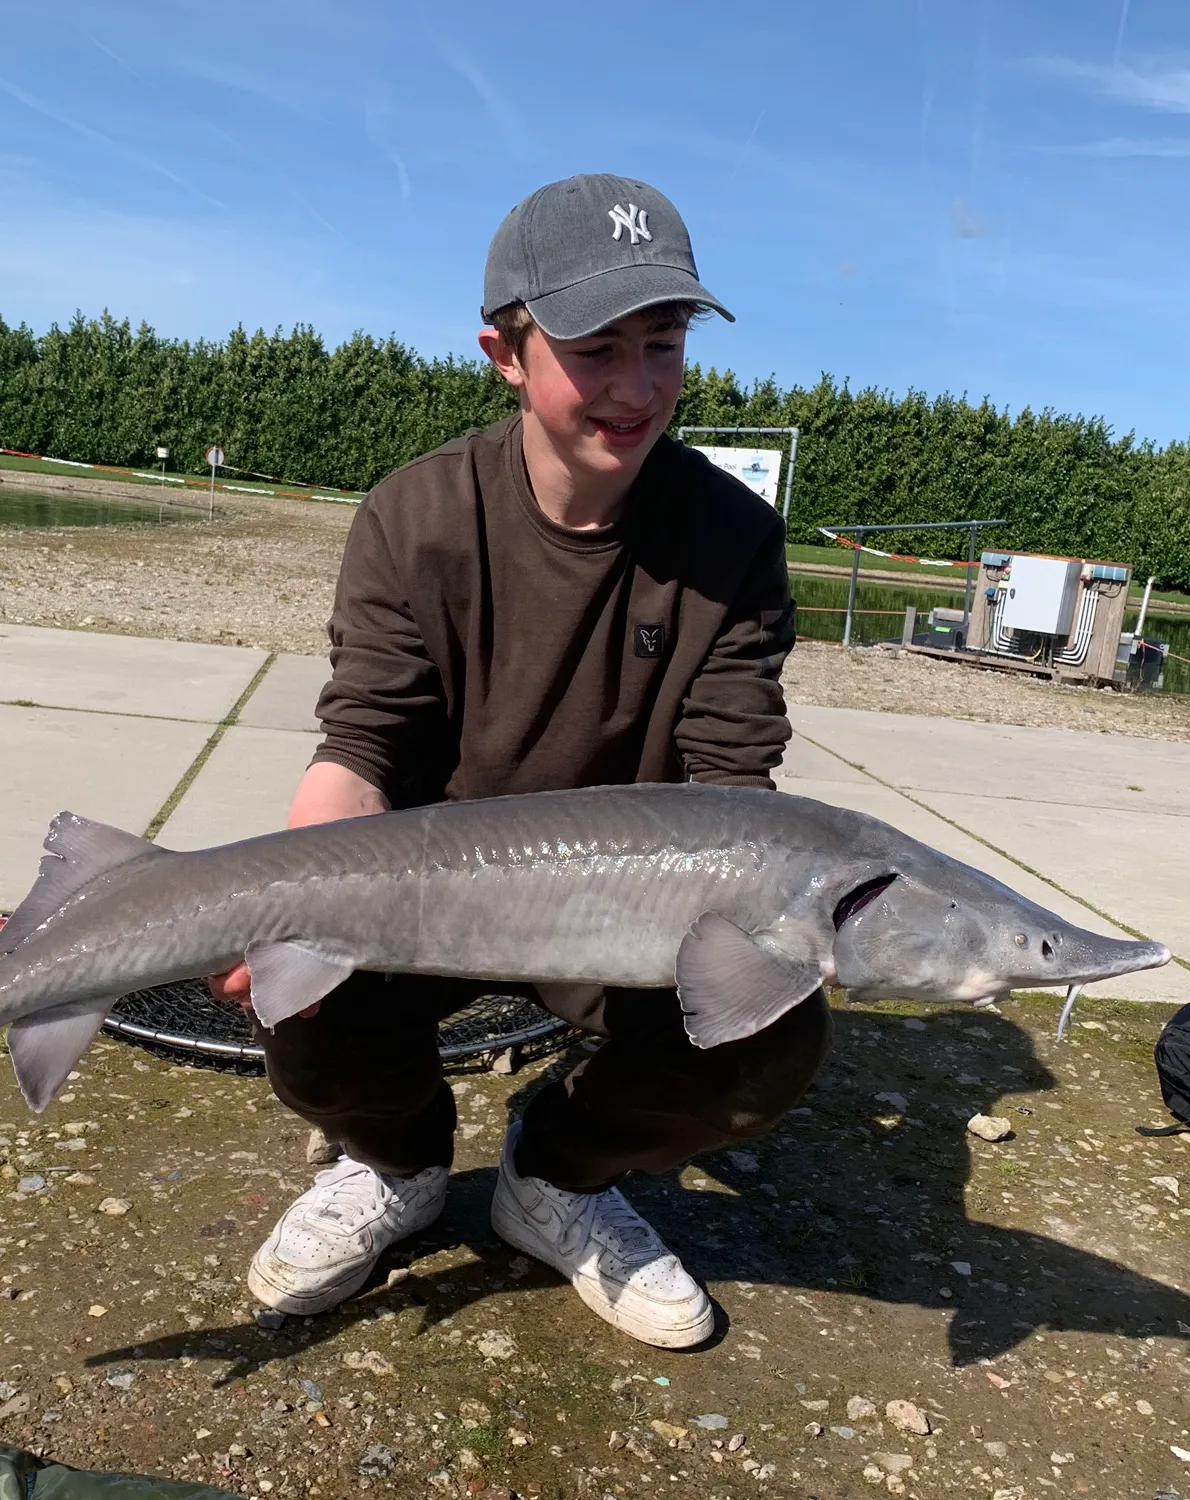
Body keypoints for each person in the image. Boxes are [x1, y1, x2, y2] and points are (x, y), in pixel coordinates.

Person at [210, 173, 830, 1351]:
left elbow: (736, 788)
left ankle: (553, 1175)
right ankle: (393, 1164)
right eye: (597, 349)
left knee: (771, 1042)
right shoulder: (415, 516)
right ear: (506, 350)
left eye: (665, 343)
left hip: (630, 912)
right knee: (305, 1007)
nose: (639, 387)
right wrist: (290, 891)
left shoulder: (732, 538)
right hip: (424, 898)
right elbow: (363, 747)